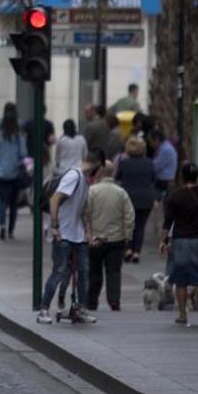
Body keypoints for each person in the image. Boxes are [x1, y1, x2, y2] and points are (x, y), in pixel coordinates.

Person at [37, 152, 102, 324]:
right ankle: (43, 309)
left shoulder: (85, 181)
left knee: (83, 272)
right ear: (97, 165)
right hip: (64, 233)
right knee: (59, 271)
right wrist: (55, 226)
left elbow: (82, 210)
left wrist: (88, 234)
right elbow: (55, 199)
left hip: (77, 235)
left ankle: (81, 308)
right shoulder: (74, 175)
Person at [160, 163, 198, 324]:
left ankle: (183, 315)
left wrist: (163, 241)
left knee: (181, 279)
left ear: (182, 176)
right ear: (197, 176)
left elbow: (167, 222)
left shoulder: (174, 196)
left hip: (181, 241)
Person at [84, 163, 134, 311]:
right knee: (114, 272)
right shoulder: (121, 192)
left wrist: (88, 235)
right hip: (116, 239)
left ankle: (92, 301)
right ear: (113, 173)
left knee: (94, 272)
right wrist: (127, 236)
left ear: (99, 172)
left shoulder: (92, 191)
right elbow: (129, 216)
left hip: (96, 239)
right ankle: (114, 301)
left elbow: (85, 214)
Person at [116, 137, 157, 263]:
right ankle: (136, 252)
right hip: (145, 198)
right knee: (140, 226)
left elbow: (118, 177)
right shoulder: (150, 163)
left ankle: (128, 249)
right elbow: (154, 180)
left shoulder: (124, 163)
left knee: (128, 224)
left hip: (128, 197)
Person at [0, 103, 27, 241]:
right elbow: (23, 153)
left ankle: (2, 225)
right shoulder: (19, 134)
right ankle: (11, 230)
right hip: (15, 171)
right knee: (13, 203)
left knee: (2, 201)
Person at [150, 130, 178, 196]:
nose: (151, 144)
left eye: (151, 141)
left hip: (165, 181)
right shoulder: (164, 148)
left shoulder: (166, 149)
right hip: (163, 180)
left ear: (156, 139)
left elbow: (156, 166)